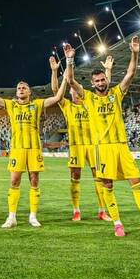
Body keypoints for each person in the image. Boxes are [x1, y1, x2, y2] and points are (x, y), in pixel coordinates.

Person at [65, 39, 140, 240]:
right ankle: (117, 223)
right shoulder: (89, 98)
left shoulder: (116, 93)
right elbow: (71, 81)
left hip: (122, 147)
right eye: (97, 81)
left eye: (102, 80)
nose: (100, 83)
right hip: (103, 149)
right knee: (107, 185)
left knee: (137, 183)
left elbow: (131, 74)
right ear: (92, 84)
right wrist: (70, 60)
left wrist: (135, 53)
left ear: (106, 80)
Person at [0, 60, 64, 229]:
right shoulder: (11, 104)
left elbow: (58, 97)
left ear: (29, 92)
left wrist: (54, 72)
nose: (21, 89)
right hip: (17, 149)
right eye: (18, 88)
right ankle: (12, 217)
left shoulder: (37, 105)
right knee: (14, 181)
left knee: (34, 180)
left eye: (23, 88)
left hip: (34, 149)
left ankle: (33, 216)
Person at [50, 53, 107, 222]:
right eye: (72, 91)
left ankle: (102, 210)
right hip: (76, 147)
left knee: (100, 177)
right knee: (75, 176)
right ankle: (76, 210)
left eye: (77, 90)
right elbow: (55, 91)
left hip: (93, 145)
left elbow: (105, 90)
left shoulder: (91, 102)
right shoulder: (67, 106)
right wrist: (54, 71)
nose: (75, 93)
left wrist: (108, 71)